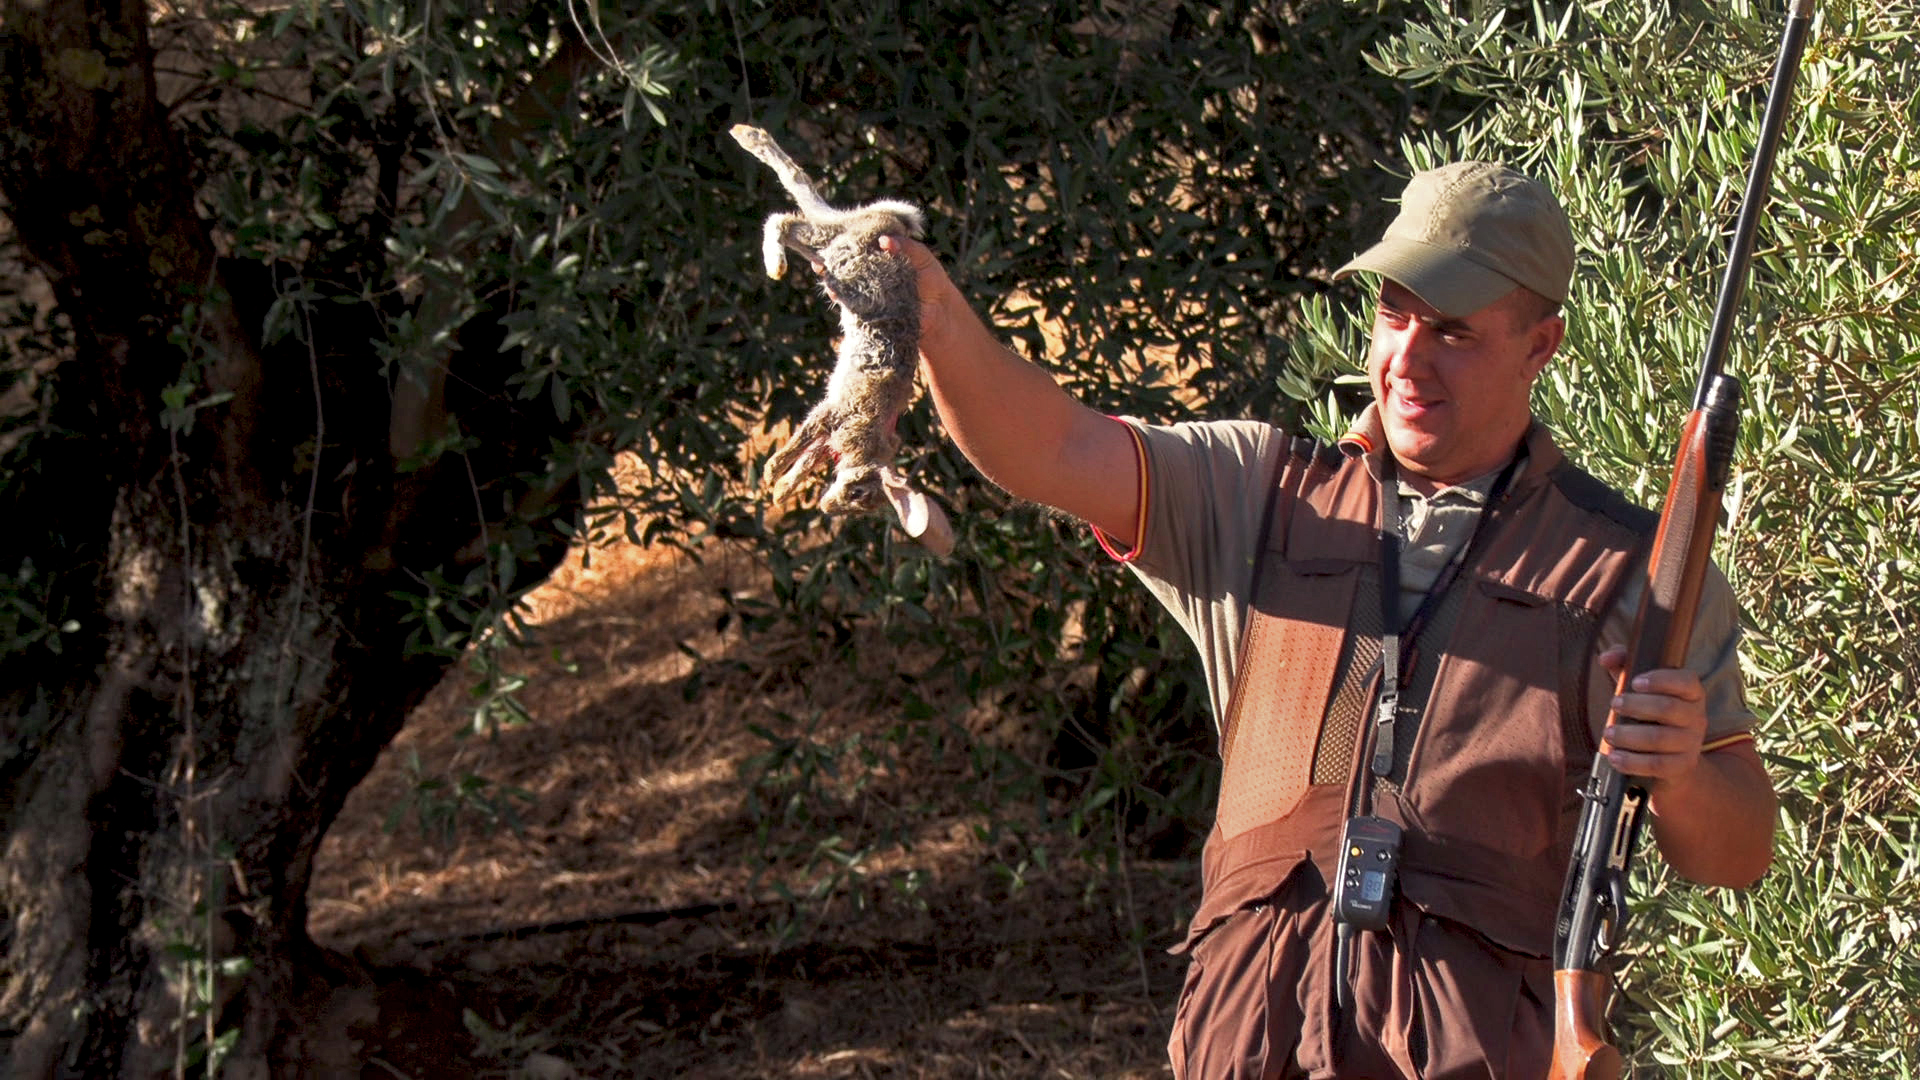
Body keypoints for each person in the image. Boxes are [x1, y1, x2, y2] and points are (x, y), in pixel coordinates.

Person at [883, 160, 1776, 1078]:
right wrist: (934, 313)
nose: (1409, 358)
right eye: (1393, 315)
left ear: (1539, 345)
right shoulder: (1257, 495)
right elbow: (1054, 448)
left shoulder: (1636, 570)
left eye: (1455, 331)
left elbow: (1739, 850)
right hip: (1248, 1049)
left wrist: (1679, 777)